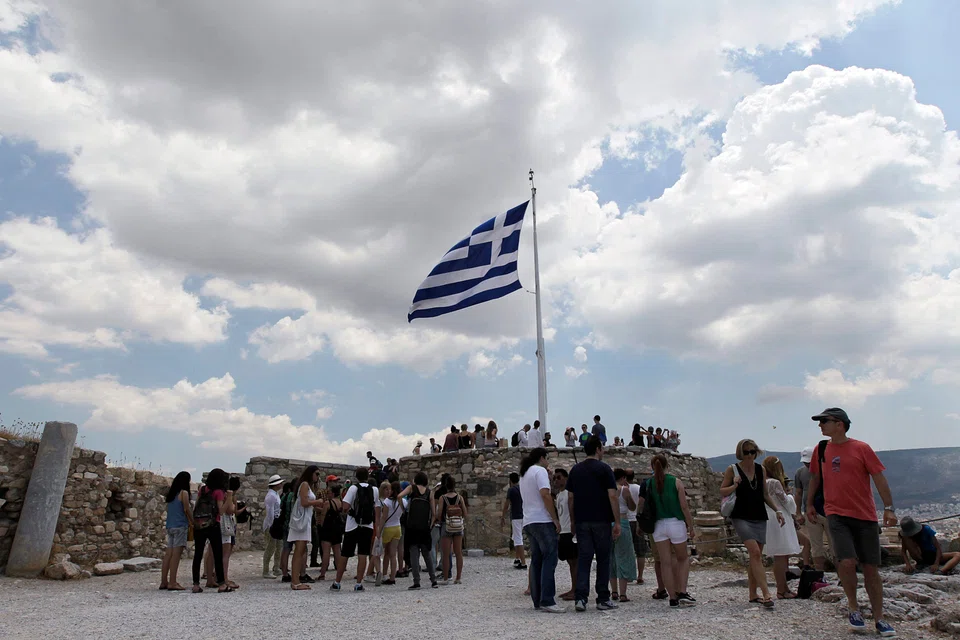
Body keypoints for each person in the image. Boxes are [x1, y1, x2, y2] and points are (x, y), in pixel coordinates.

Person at [806, 408, 898, 637]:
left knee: (870, 568)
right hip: (836, 513)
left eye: (824, 421)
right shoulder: (821, 449)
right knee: (846, 561)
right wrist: (809, 504)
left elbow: (878, 477)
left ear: (839, 424)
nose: (820, 425)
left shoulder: (861, 448)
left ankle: (879, 618)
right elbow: (815, 477)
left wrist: (889, 508)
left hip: (864, 515)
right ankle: (854, 607)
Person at [720, 439, 785, 609]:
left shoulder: (760, 469)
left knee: (755, 556)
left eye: (752, 452)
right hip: (740, 515)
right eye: (746, 452)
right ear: (740, 453)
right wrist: (734, 485)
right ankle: (766, 594)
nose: (750, 455)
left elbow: (765, 494)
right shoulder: (732, 469)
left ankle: (752, 594)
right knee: (755, 552)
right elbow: (722, 490)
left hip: (758, 515)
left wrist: (777, 510)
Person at [567, 435, 619, 612]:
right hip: (602, 520)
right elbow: (612, 496)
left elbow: (570, 498)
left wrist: (572, 520)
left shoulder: (575, 470)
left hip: (582, 520)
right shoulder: (605, 469)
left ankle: (581, 598)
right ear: (598, 449)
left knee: (584, 559)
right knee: (603, 559)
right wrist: (617, 521)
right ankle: (603, 598)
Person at [519, 447, 565, 613]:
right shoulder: (540, 471)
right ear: (542, 458)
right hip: (542, 519)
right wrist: (555, 518)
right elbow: (545, 495)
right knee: (550, 558)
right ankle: (547, 599)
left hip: (529, 520)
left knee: (537, 560)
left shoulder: (524, 474)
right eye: (547, 458)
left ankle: (537, 599)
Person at [649, 454, 696, 609]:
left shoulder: (649, 483)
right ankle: (682, 591)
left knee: (665, 563)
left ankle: (672, 598)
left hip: (658, 525)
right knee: (682, 558)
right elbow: (684, 506)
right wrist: (691, 525)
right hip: (675, 523)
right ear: (667, 465)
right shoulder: (676, 482)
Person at [334, 467, 381, 592]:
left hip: (352, 525)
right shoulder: (374, 490)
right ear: (367, 476)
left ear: (356, 477)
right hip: (368, 525)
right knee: (363, 554)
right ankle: (358, 584)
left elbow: (345, 506)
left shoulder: (353, 488)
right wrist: (377, 527)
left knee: (345, 554)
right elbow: (377, 509)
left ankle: (337, 582)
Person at [762, 456, 801, 599]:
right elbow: (786, 502)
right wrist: (790, 495)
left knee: (781, 555)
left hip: (769, 518)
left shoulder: (762, 482)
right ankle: (781, 589)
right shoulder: (775, 483)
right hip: (779, 519)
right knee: (781, 556)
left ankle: (784, 588)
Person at [191, 468, 232, 593]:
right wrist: (229, 498)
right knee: (217, 554)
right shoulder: (218, 492)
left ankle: (196, 584)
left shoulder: (203, 489)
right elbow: (221, 511)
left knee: (198, 554)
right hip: (213, 525)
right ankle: (222, 584)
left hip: (199, 524)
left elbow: (196, 506)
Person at [397, 472, 439, 589]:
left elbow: (399, 496)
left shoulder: (412, 488)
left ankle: (417, 582)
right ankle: (433, 580)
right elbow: (434, 513)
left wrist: (404, 510)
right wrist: (430, 525)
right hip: (424, 527)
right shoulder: (429, 492)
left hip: (412, 527)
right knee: (427, 554)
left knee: (414, 554)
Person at [289, 466, 324, 591]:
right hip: (301, 522)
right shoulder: (304, 485)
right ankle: (295, 581)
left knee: (301, 550)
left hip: (305, 521)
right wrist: (317, 502)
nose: (318, 477)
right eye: (316, 474)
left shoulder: (308, 485)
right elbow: (304, 503)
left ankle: (296, 580)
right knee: (299, 551)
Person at [794, 446, 829, 570]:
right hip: (810, 514)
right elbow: (798, 493)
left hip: (828, 511)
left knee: (835, 545)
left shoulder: (826, 469)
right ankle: (819, 572)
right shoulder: (800, 472)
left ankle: (841, 574)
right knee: (815, 546)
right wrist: (798, 512)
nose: (808, 464)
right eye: (806, 462)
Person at [160, 471, 193, 591]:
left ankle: (164, 581)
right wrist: (193, 522)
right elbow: (187, 509)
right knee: (176, 555)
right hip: (180, 526)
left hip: (170, 526)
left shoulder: (172, 495)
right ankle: (173, 582)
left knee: (168, 554)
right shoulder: (184, 493)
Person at [609, 468, 637, 601]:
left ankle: (613, 591)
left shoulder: (608, 490)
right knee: (624, 556)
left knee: (611, 557)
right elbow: (632, 507)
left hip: (609, 523)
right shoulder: (624, 490)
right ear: (623, 478)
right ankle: (623, 593)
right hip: (623, 522)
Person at [553, 468, 577, 601]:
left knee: (575, 561)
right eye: (554, 478)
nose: (556, 480)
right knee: (570, 561)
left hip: (570, 530)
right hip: (563, 531)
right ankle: (573, 587)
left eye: (559, 477)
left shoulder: (569, 493)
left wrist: (573, 523)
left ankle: (576, 589)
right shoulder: (559, 495)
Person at [438, 475, 467, 584]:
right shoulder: (460, 498)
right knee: (458, 553)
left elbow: (439, 514)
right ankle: (458, 577)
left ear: (446, 486)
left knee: (446, 554)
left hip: (447, 526)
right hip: (458, 526)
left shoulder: (442, 498)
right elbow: (465, 513)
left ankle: (446, 578)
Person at [317, 475, 344, 581]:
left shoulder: (328, 503)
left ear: (332, 493)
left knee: (326, 552)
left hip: (327, 528)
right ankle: (339, 573)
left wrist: (321, 526)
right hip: (337, 528)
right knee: (337, 552)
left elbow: (323, 516)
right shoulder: (340, 502)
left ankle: (322, 573)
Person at [625, 470, 647, 585]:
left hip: (626, 520)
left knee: (626, 550)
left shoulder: (622, 489)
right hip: (637, 520)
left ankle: (628, 575)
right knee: (640, 551)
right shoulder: (638, 488)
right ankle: (640, 575)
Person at [380, 480, 404, 585]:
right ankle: (393, 577)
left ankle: (385, 574)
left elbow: (384, 517)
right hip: (397, 527)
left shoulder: (387, 502)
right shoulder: (403, 501)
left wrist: (379, 531)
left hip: (388, 528)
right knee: (393, 554)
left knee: (386, 553)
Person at [501, 472, 527, 569]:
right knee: (516, 537)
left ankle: (523, 563)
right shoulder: (522, 489)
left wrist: (503, 516)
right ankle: (517, 558)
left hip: (516, 516)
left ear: (510, 480)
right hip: (523, 515)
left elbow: (506, 504)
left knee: (518, 539)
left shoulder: (511, 490)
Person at [261, 474, 284, 579]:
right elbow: (270, 513)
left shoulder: (275, 494)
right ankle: (265, 571)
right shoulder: (271, 496)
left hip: (276, 522)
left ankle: (276, 567)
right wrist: (271, 526)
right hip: (272, 524)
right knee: (270, 548)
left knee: (279, 546)